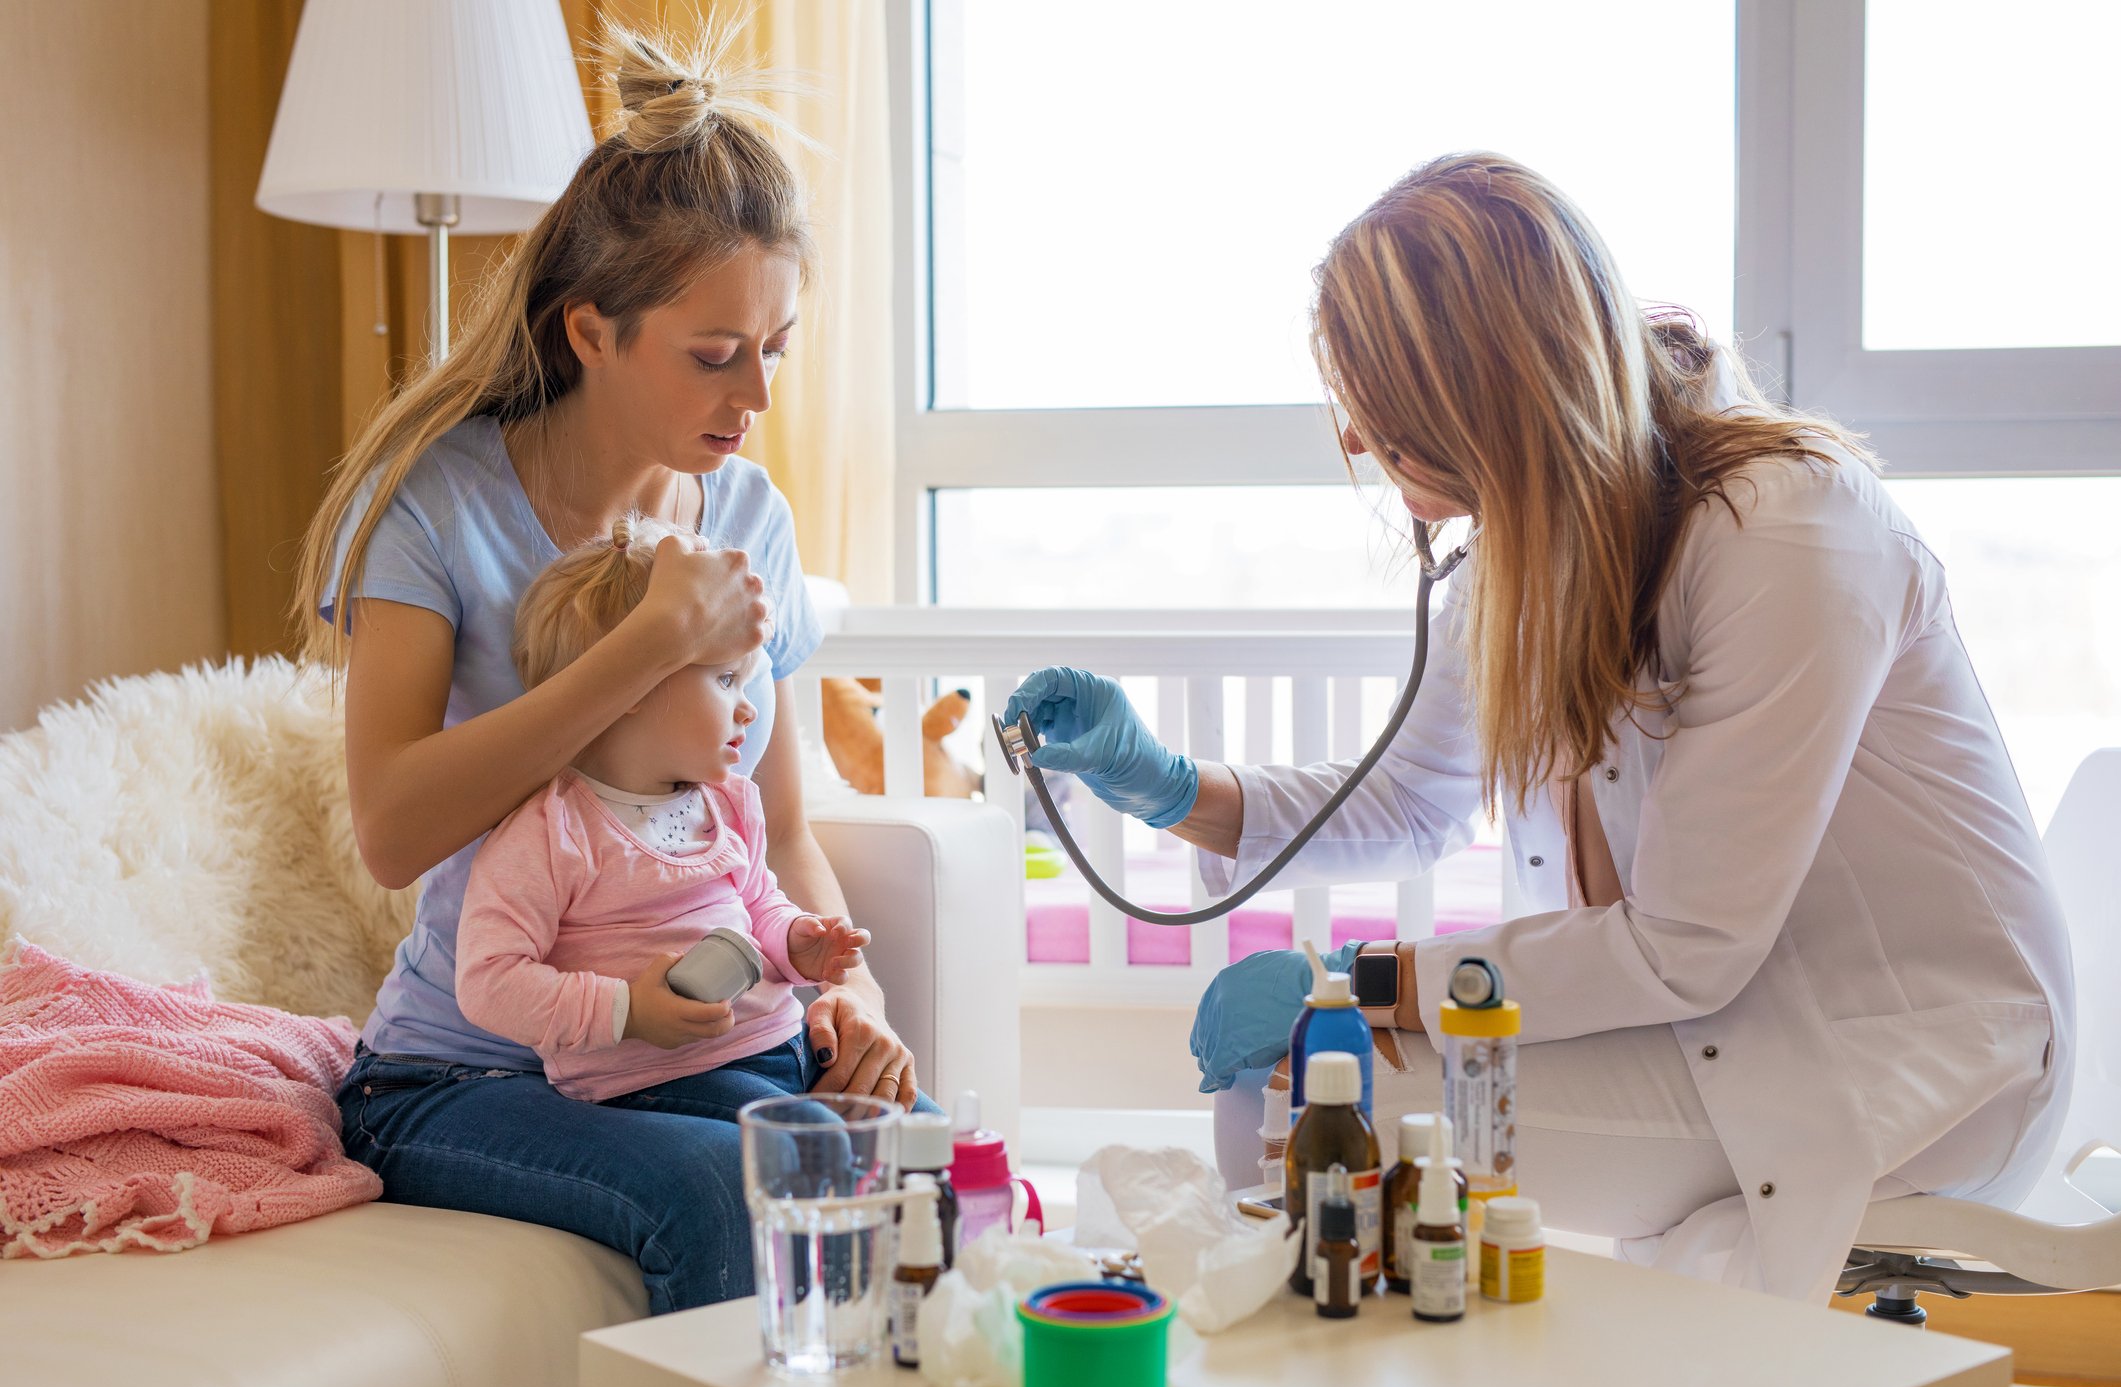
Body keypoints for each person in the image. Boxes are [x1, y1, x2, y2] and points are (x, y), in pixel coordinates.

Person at [1005, 152, 2073, 1303]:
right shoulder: (1532, 547)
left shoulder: (1787, 532)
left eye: (1378, 403)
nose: (1358, 442)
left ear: (1483, 398)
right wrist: (1165, 784)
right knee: (1303, 1089)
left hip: (1903, 1057)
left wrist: (1353, 981)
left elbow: (1688, 942)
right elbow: (1411, 801)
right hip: (1710, 1021)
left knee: (1307, 1090)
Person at [292, 25, 922, 1312]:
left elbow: (782, 829)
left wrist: (849, 995)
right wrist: (650, 643)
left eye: (776, 347)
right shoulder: (439, 506)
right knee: (712, 1193)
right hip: (470, 1075)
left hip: (689, 1052)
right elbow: (393, 826)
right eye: (713, 351)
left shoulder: (748, 515)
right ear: (591, 329)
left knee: (910, 1159)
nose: (754, 392)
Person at [455, 514, 870, 1104]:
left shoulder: (729, 802)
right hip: (656, 1084)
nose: (748, 710)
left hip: (781, 1050)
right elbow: (488, 982)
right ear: (632, 685)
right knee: (815, 1153)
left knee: (920, 1137)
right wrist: (626, 1011)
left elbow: (756, 905)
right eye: (726, 680)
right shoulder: (552, 832)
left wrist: (794, 943)